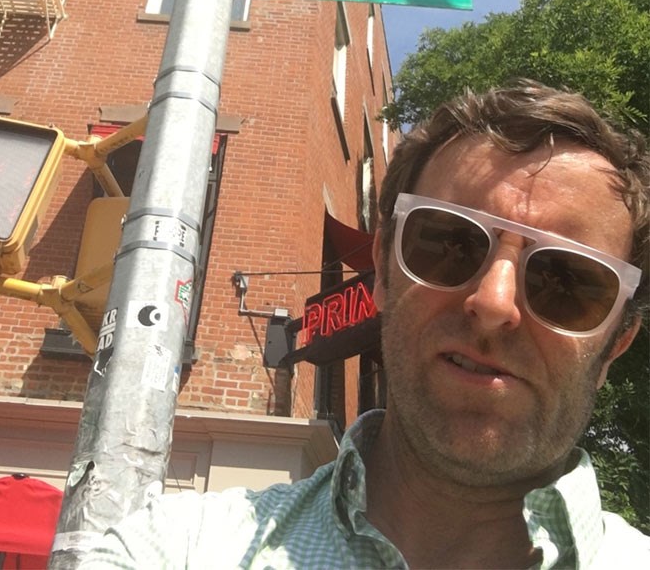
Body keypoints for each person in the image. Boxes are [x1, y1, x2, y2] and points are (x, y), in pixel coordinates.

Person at [83, 81, 649, 569]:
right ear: (381, 271)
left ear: (616, 343)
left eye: (569, 280)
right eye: (447, 243)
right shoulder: (180, 549)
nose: (494, 301)